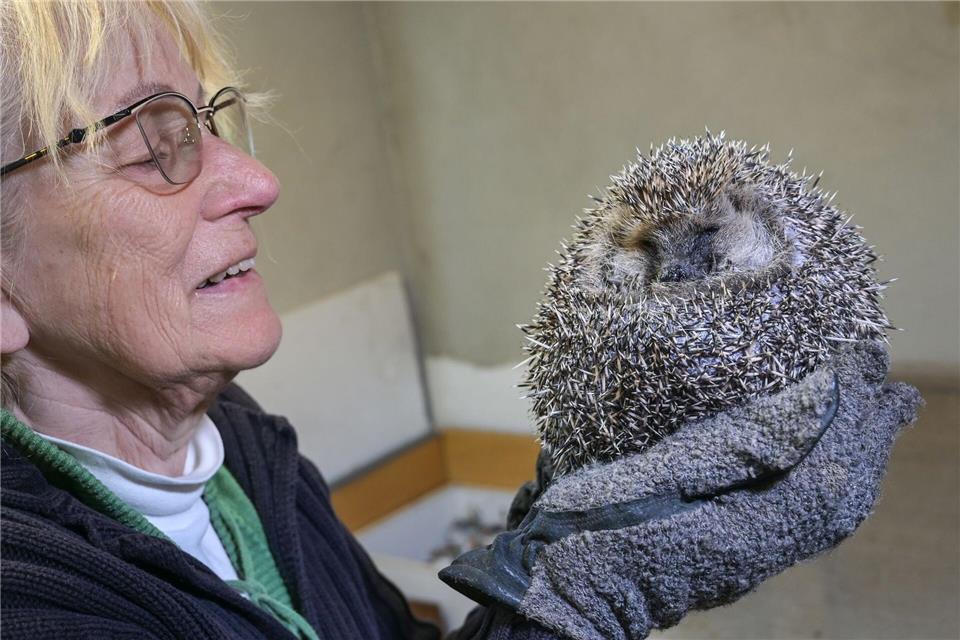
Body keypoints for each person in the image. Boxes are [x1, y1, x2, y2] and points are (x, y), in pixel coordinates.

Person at [0, 2, 918, 639]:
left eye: (208, 124)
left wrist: (553, 549)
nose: (259, 182)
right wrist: (588, 596)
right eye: (153, 147)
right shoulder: (35, 607)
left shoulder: (251, 456)